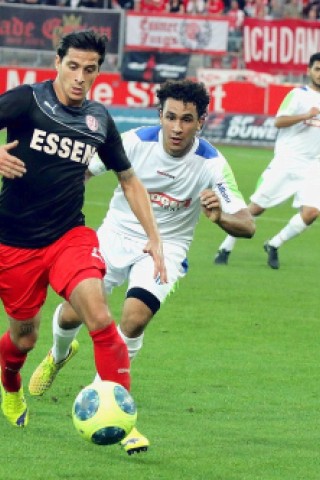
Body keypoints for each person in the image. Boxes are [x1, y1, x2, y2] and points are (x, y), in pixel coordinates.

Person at [28, 79, 255, 454]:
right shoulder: (133, 142)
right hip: (114, 237)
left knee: (134, 318)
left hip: (164, 249)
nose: (177, 127)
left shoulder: (213, 164)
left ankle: (108, 395)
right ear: (159, 115)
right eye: (171, 117)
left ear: (202, 121)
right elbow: (81, 171)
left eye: (187, 119)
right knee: (72, 314)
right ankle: (58, 354)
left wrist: (221, 219)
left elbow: (246, 223)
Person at [0, 29, 166, 435]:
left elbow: (128, 178)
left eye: (89, 70)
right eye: (72, 66)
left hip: (68, 238)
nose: (79, 76)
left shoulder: (97, 119)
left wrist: (155, 236)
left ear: (97, 72)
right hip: (15, 241)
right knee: (23, 339)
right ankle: (9, 385)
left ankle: (126, 423)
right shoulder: (26, 100)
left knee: (99, 315)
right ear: (57, 63)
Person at [214, 52, 320, 269]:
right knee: (256, 208)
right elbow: (279, 121)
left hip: (314, 165)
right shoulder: (298, 95)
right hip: (288, 161)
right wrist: (305, 116)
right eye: (317, 69)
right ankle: (225, 247)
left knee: (311, 212)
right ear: (308, 70)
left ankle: (273, 244)